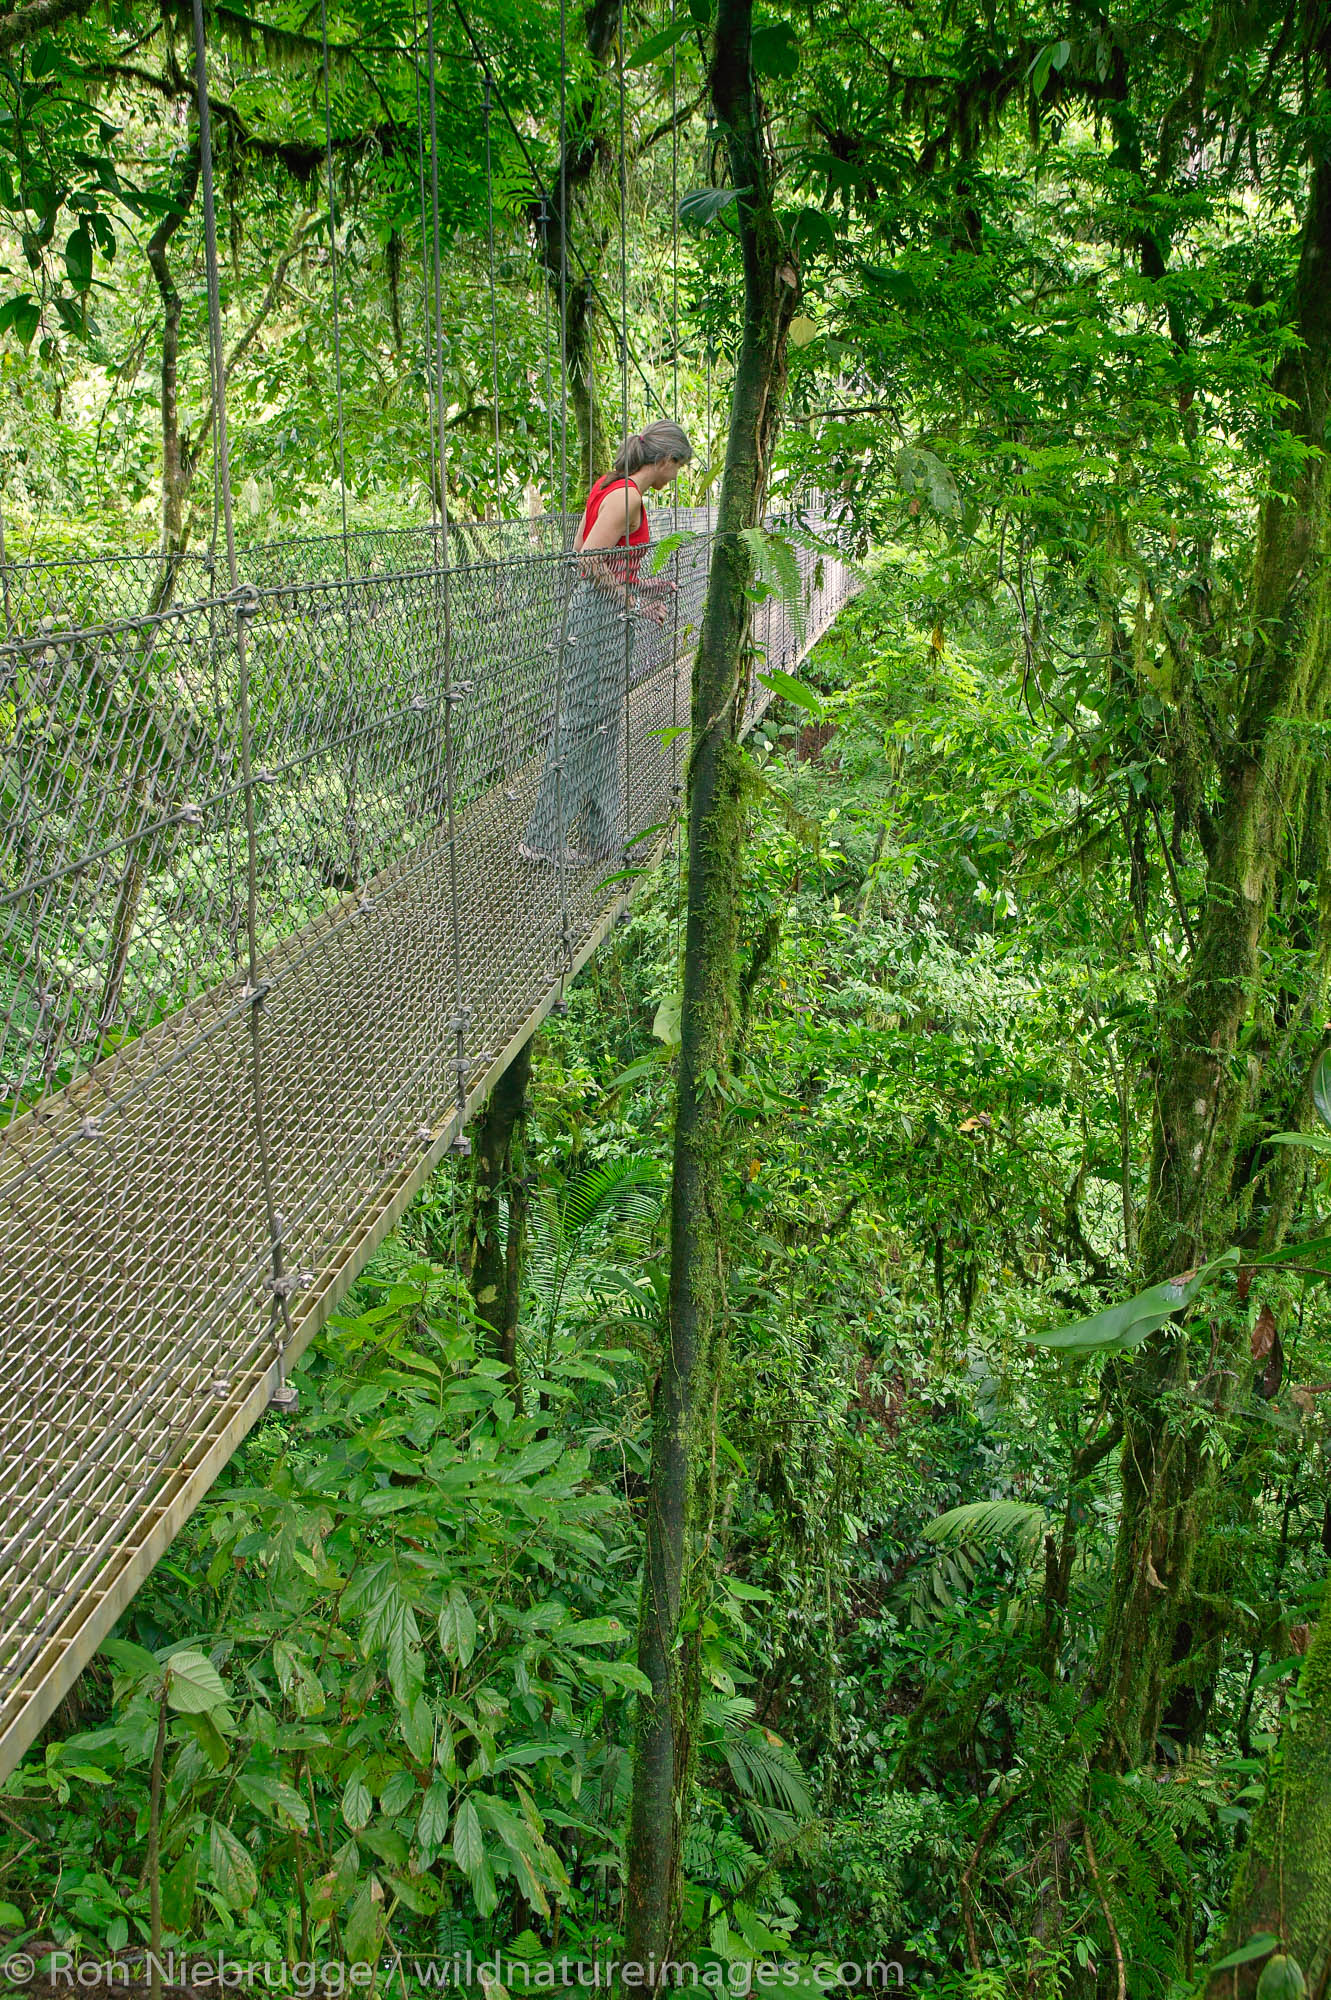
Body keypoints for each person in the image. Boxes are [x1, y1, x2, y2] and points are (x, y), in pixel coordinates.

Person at [520, 419, 694, 867]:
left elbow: (591, 546)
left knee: (602, 725)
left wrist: (646, 587)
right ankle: (541, 839)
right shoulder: (629, 496)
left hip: (598, 611)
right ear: (663, 461)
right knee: (582, 724)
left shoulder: (607, 485)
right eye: (678, 467)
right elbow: (587, 557)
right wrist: (632, 600)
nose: (676, 476)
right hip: (600, 618)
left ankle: (601, 837)